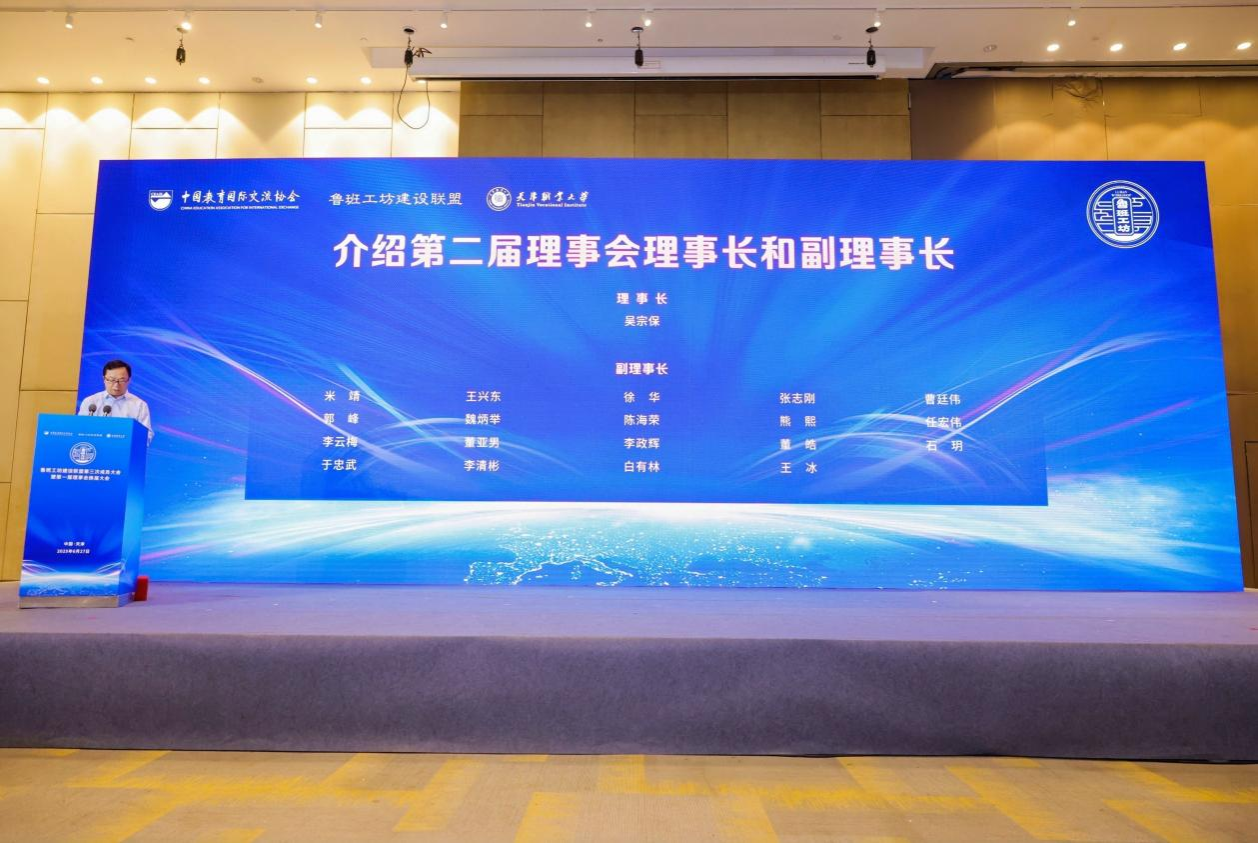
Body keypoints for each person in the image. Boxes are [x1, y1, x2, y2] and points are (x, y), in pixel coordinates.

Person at [78, 359, 154, 445]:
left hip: (124, 450)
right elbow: (79, 430)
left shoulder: (139, 405)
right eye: (111, 380)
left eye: (121, 380)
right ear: (104, 379)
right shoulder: (90, 402)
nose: (116, 385)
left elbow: (147, 436)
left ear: (129, 380)